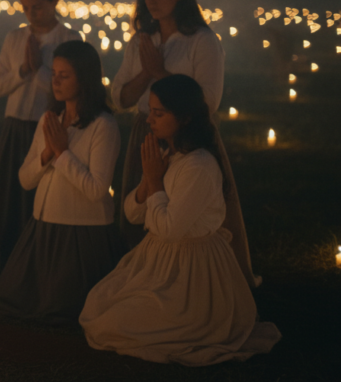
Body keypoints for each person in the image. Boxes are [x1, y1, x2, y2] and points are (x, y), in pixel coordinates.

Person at [80, 74, 280, 365]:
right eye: (150, 111)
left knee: (115, 324)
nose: (150, 119)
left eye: (159, 113)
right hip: (156, 262)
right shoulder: (170, 155)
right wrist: (149, 183)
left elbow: (170, 229)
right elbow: (132, 213)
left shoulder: (199, 165)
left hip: (192, 272)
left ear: (185, 118)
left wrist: (155, 183)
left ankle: (189, 320)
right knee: (97, 306)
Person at [110, 0, 257, 287]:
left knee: (186, 210)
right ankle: (145, 273)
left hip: (191, 138)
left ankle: (201, 279)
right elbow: (118, 97)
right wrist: (147, 73)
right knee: (142, 201)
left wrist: (160, 73)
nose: (152, 1)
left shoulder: (201, 41)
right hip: (147, 131)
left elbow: (208, 101)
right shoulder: (141, 41)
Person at [0, 40, 123, 323]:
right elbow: (25, 180)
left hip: (82, 234)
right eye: (53, 74)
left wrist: (63, 154)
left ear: (85, 78)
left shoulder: (103, 125)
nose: (56, 82)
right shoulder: (50, 120)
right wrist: (47, 153)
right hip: (43, 227)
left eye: (65, 76)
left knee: (65, 311)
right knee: (10, 298)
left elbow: (96, 189)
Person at [0, 0, 80, 267]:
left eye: (37, 7)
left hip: (47, 129)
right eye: (25, 7)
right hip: (14, 127)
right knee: (8, 196)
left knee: (40, 198)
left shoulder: (68, 38)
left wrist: (40, 69)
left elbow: (69, 89)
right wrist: (24, 70)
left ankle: (37, 262)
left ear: (54, 0)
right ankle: (3, 260)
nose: (30, 14)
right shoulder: (15, 38)